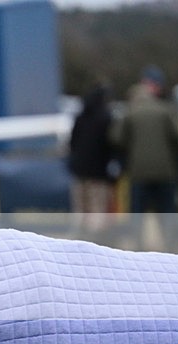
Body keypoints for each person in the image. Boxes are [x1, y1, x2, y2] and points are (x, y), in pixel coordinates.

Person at [111, 66, 178, 249]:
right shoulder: (167, 110)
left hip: (138, 172)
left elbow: (116, 138)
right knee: (167, 212)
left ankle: (137, 248)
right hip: (166, 171)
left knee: (137, 214)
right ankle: (170, 247)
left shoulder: (130, 111)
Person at [67, 83, 117, 239]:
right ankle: (94, 243)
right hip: (98, 174)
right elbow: (111, 145)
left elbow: (72, 143)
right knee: (97, 211)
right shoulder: (106, 118)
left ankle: (76, 244)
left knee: (80, 211)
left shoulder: (80, 117)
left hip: (78, 171)